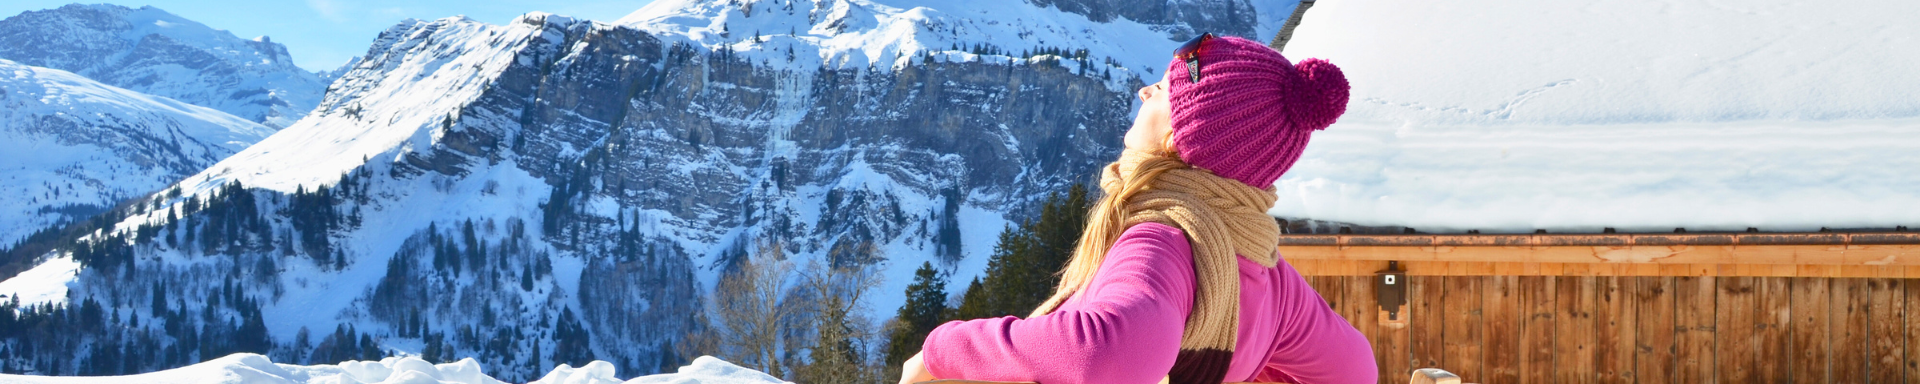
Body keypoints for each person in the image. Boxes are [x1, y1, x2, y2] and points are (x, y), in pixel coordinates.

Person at [896, 34, 1374, 384]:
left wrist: (942, 349)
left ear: (1176, 138)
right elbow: (1354, 368)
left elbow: (1106, 354)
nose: (1145, 90)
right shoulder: (1264, 268)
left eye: (1164, 90)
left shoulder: (1162, 242)